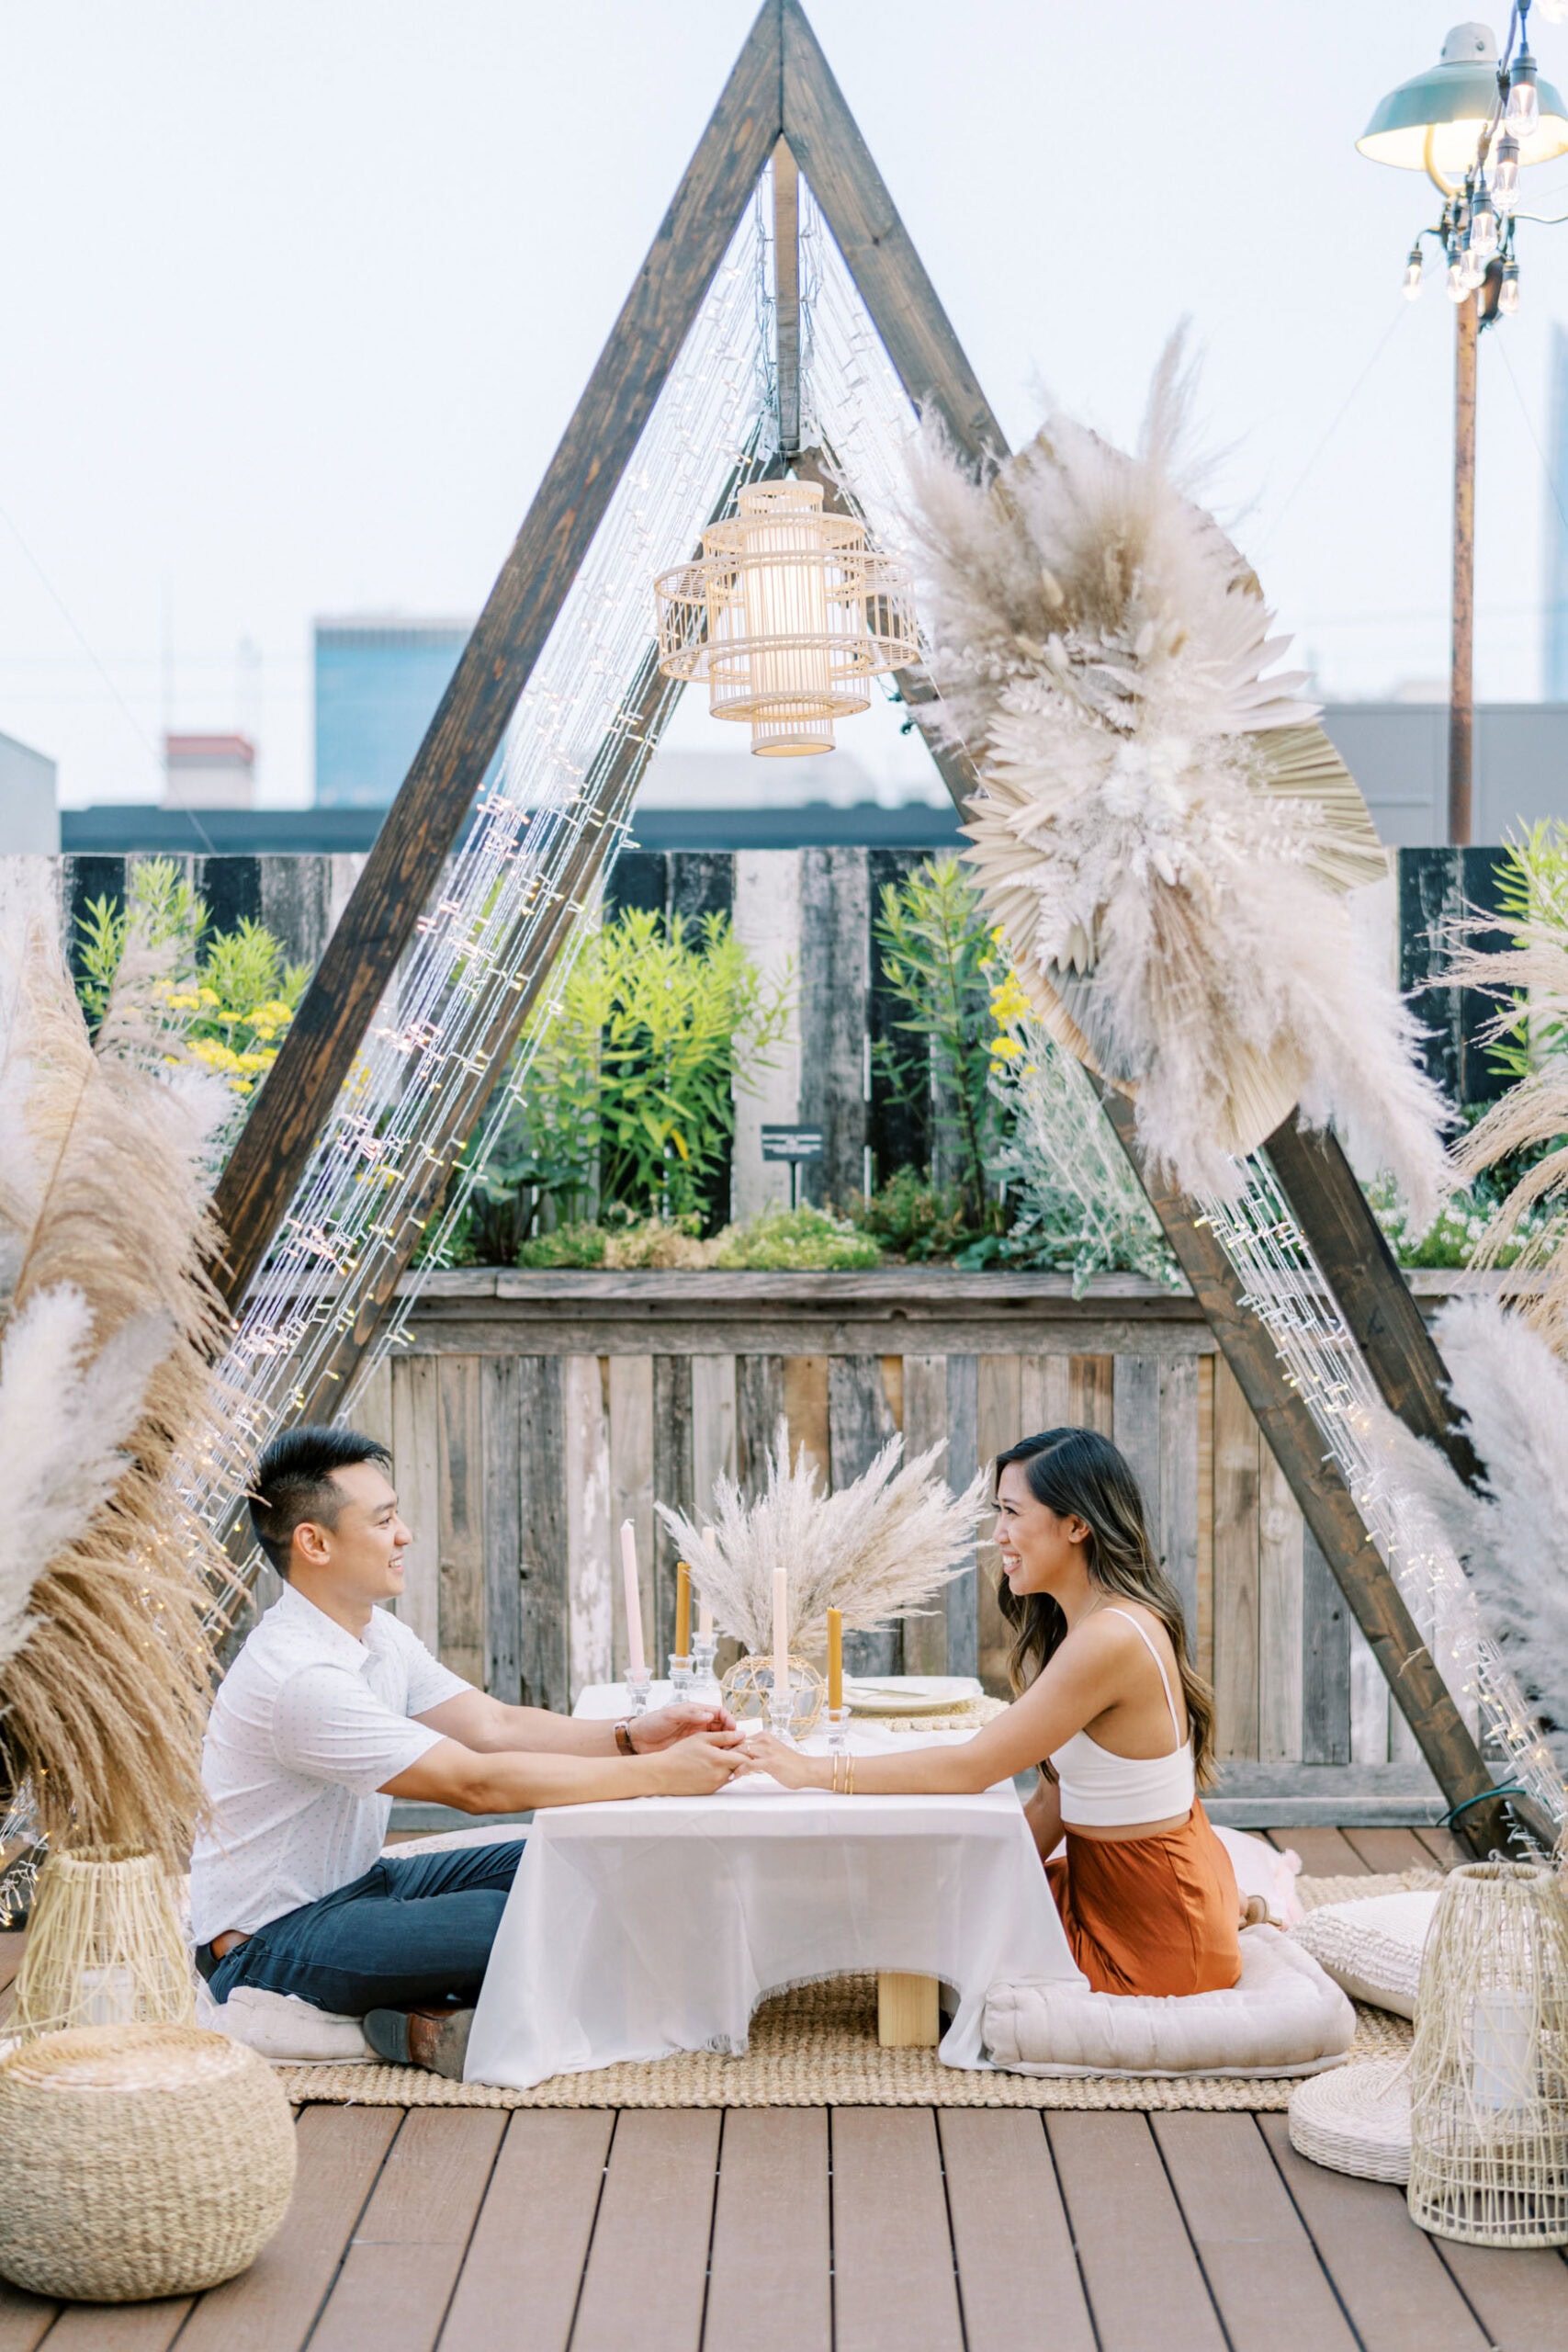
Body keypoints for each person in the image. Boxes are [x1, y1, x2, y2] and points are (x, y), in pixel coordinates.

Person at [190, 1425, 744, 2075]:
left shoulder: (374, 1635)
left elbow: (494, 1725)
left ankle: (417, 2011)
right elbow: (474, 1787)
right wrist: (660, 1776)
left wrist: (629, 1737)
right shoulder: (300, 1678)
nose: (405, 1535)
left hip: (358, 1889)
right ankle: (333, 2019)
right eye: (384, 1520)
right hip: (266, 1945)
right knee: (507, 1920)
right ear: (314, 1542)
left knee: (569, 1864)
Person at [747, 1425, 1244, 1997]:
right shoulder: (1093, 1623)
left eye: (1012, 1513)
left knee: (941, 1936)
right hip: (1133, 1896)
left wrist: (814, 1773)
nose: (999, 1534)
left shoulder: (1109, 1639)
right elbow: (1053, 1800)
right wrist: (984, 1893)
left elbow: (972, 1768)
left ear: (1077, 1525)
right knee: (942, 1909)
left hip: (1153, 1941)